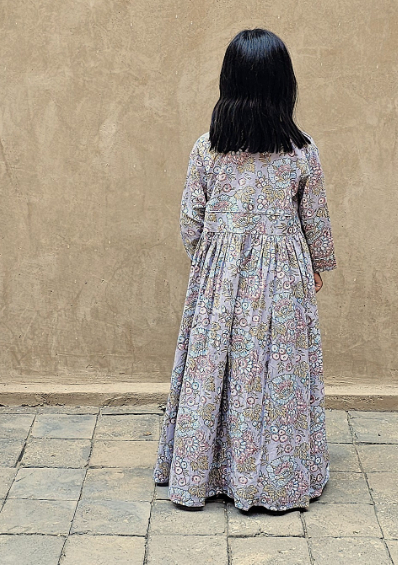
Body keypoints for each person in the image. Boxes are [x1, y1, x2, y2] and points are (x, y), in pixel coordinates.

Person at [153, 27, 337, 512]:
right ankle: (276, 476)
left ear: (229, 82)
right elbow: (315, 219)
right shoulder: (302, 152)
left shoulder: (206, 150)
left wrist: (214, 262)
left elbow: (190, 222)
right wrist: (317, 265)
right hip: (284, 279)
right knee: (278, 370)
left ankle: (204, 470)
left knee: (216, 367)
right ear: (283, 84)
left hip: (219, 276)